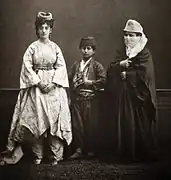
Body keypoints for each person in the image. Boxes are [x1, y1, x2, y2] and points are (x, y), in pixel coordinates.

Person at [0, 12, 72, 165]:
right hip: (37, 89)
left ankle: (55, 156)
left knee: (54, 121)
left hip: (53, 89)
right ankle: (37, 155)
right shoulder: (32, 47)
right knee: (37, 121)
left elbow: (61, 67)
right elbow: (27, 67)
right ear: (37, 30)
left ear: (51, 30)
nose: (44, 30)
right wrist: (38, 82)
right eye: (41, 28)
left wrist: (53, 83)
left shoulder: (55, 48)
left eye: (47, 27)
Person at [104, 19, 157, 162]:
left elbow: (146, 74)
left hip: (138, 98)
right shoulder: (122, 52)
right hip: (122, 96)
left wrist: (128, 75)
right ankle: (123, 152)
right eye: (126, 35)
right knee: (123, 123)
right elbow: (110, 69)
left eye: (131, 35)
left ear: (139, 36)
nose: (127, 38)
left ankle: (139, 153)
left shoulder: (144, 53)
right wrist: (120, 65)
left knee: (137, 125)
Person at [69, 36, 105, 159]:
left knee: (91, 124)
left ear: (93, 51)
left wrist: (89, 82)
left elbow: (103, 81)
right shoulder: (75, 65)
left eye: (88, 48)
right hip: (77, 99)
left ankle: (91, 149)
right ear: (80, 49)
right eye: (83, 48)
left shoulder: (97, 66)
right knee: (77, 125)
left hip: (91, 100)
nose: (85, 51)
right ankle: (78, 149)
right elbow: (69, 80)